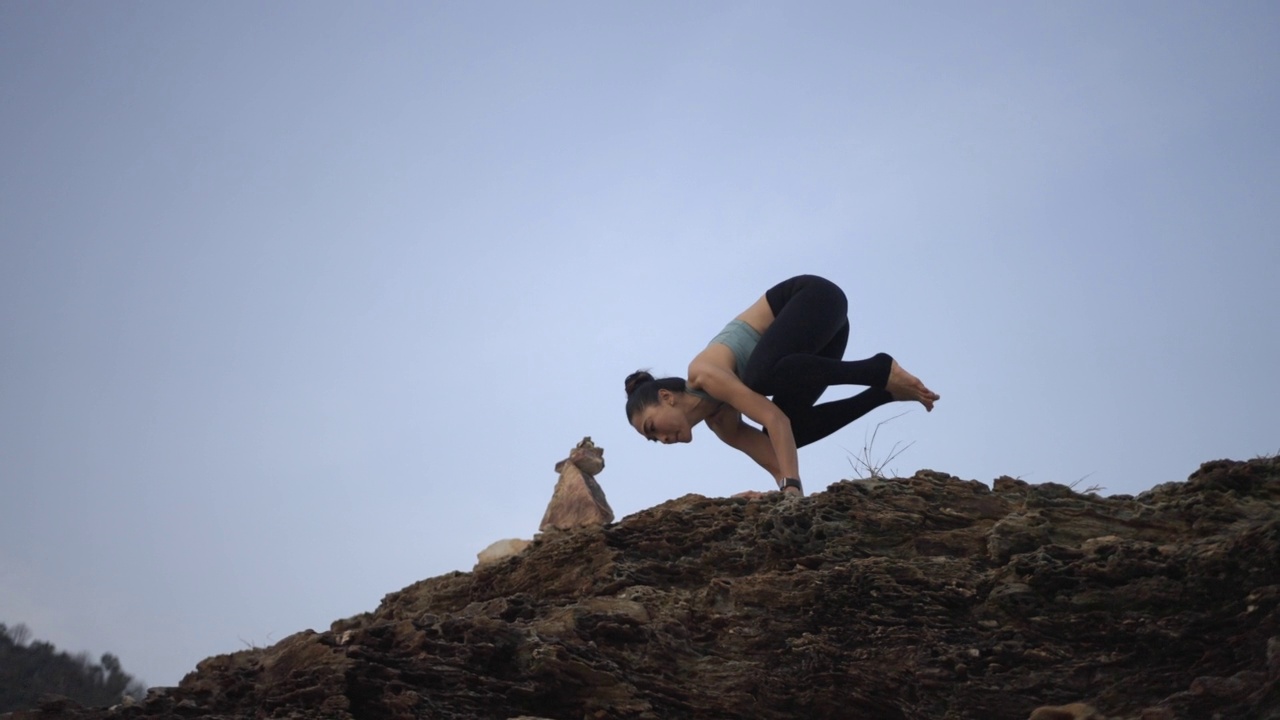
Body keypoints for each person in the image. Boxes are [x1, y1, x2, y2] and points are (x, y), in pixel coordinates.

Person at [624, 274, 939, 498]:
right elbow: (780, 461)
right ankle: (883, 393)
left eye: (652, 427)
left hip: (814, 299)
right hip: (821, 342)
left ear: (666, 397)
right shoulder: (723, 426)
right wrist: (783, 495)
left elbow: (773, 417)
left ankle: (879, 369)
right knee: (790, 434)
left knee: (759, 384)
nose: (661, 439)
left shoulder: (704, 373)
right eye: (653, 439)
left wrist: (791, 484)